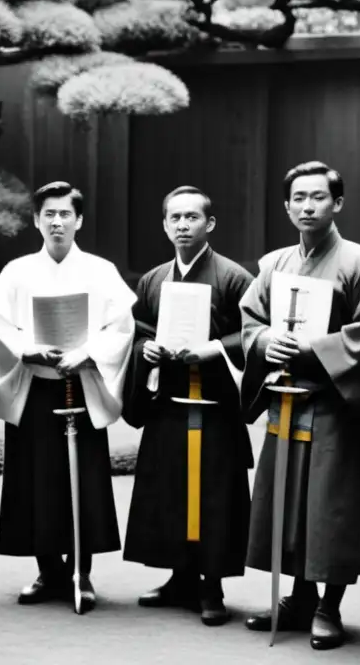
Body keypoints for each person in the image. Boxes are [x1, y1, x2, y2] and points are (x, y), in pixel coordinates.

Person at [239, 162, 360, 650]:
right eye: (298, 198)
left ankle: (330, 604)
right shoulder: (274, 264)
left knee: (331, 507)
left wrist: (311, 349)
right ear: (286, 206)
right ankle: (298, 597)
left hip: (333, 405)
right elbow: (250, 319)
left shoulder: (359, 264)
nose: (308, 206)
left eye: (318, 197)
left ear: (338, 203)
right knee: (289, 503)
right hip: (284, 402)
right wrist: (267, 341)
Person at [0, 181, 136, 612]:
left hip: (82, 384)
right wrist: (26, 350)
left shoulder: (101, 271)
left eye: (65, 214)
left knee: (83, 481)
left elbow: (120, 328)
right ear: (35, 219)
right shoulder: (17, 271)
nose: (56, 221)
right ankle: (47, 569)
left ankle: (80, 571)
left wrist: (87, 354)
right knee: (34, 479)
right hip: (35, 386)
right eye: (48, 213)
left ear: (79, 219)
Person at [121, 186, 255, 626]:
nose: (182, 225)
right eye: (174, 218)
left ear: (209, 224)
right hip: (168, 407)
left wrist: (214, 348)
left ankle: (211, 585)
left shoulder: (234, 277)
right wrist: (148, 350)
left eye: (191, 218)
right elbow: (138, 331)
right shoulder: (154, 279)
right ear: (164, 224)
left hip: (214, 406)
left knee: (214, 496)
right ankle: (179, 577)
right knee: (170, 491)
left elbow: (254, 333)